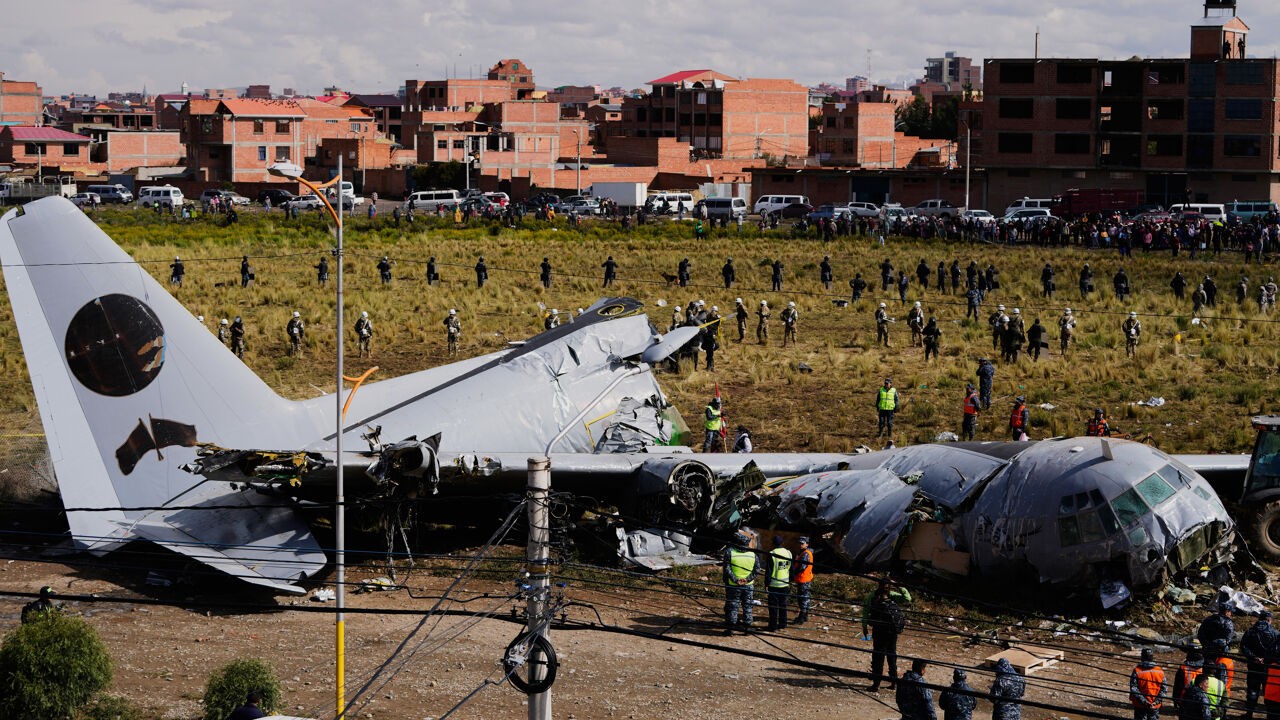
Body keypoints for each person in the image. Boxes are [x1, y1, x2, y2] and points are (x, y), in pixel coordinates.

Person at [862, 580, 911, 692]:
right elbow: (907, 598)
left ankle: (876, 684)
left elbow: (865, 611)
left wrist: (864, 627)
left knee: (878, 657)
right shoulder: (891, 595)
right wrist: (898, 585)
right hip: (891, 632)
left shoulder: (872, 597)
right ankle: (893, 683)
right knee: (891, 656)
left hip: (879, 632)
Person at [1242, 611, 1277, 719]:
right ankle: (1269, 716)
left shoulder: (1250, 631)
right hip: (1268, 667)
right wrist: (1266, 659)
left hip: (1253, 665)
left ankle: (1249, 714)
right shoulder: (1275, 633)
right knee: (1268, 691)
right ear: (1268, 619)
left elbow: (1243, 647)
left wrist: (1253, 657)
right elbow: (1276, 650)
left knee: (1252, 690)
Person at [722, 533, 759, 634]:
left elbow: (727, 569)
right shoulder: (753, 555)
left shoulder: (730, 552)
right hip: (748, 585)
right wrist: (747, 579)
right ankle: (747, 627)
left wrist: (735, 580)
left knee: (733, 606)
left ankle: (731, 628)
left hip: (733, 585)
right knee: (747, 605)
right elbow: (756, 570)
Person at [765, 535, 793, 631]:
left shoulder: (772, 553)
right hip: (785, 583)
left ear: (773, 543)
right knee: (783, 604)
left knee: (773, 606)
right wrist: (791, 580)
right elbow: (791, 569)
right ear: (782, 543)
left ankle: (772, 626)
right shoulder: (788, 553)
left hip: (774, 584)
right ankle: (783, 624)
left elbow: (768, 571)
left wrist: (766, 584)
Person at [1130, 647, 1167, 720]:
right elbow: (1164, 690)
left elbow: (1134, 689)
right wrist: (1155, 703)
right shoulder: (1160, 671)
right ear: (1152, 657)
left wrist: (1145, 702)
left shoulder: (1137, 670)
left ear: (1142, 657)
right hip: (1154, 706)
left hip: (1140, 705)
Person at [1173, 647, 1206, 711]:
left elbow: (1177, 686)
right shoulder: (1205, 668)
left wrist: (1175, 700)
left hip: (1185, 700)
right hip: (1201, 700)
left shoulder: (1183, 668)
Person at [791, 536, 813, 624]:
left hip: (803, 579)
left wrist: (793, 574)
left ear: (807, 544)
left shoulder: (805, 554)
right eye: (800, 543)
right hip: (805, 578)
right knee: (805, 598)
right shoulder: (803, 553)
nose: (800, 545)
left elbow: (801, 567)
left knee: (802, 598)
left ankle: (802, 617)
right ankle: (805, 615)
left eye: (802, 543)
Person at [702, 305, 721, 371]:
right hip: (711, 336)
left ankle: (710, 366)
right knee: (710, 351)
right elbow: (717, 325)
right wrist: (718, 319)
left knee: (709, 351)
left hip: (708, 336)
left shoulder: (709, 316)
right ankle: (710, 367)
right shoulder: (716, 318)